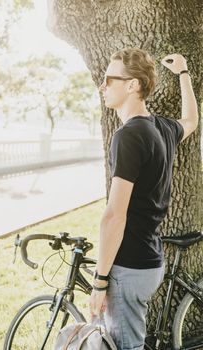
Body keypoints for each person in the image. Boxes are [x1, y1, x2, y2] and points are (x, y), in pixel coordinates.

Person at [89, 48, 199, 350]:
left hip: (129, 266)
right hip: (151, 261)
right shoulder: (161, 128)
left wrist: (100, 282)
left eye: (110, 79)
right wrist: (184, 73)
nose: (103, 86)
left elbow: (114, 215)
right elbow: (191, 120)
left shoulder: (128, 136)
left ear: (132, 85)